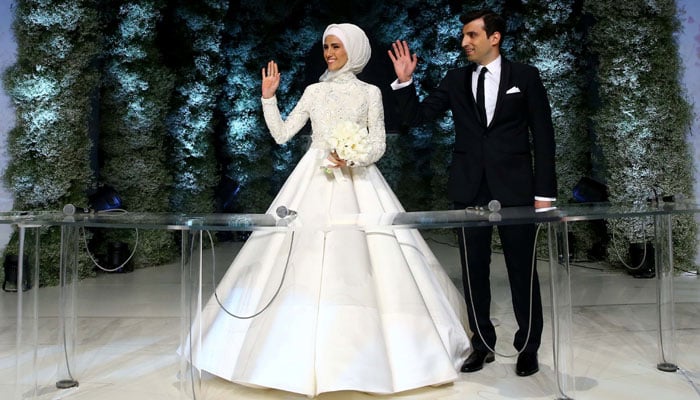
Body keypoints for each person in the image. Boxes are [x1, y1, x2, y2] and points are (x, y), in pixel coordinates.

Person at [184, 23, 470, 397]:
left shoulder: (370, 93)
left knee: (370, 262)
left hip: (358, 181)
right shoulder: (314, 91)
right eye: (326, 47)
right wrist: (269, 99)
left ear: (353, 49)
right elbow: (284, 134)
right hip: (312, 180)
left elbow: (379, 143)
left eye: (336, 46)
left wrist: (353, 156)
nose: (330, 53)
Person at [388, 10, 557, 377]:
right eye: (464, 36)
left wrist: (545, 194)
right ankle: (482, 343)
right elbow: (416, 118)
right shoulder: (455, 79)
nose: (465, 42)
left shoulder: (526, 77)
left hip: (516, 191)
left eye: (471, 35)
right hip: (469, 190)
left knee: (522, 271)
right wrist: (404, 84)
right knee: (473, 270)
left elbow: (543, 137)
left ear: (494, 37)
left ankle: (529, 346)